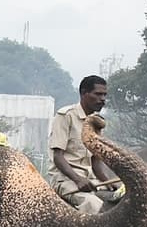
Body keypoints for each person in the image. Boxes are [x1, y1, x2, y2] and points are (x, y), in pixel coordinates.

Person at [48, 76, 115, 213]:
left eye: (104, 95)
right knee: (94, 205)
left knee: (120, 199)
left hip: (91, 181)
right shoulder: (65, 116)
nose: (102, 99)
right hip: (66, 181)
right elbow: (58, 157)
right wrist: (78, 180)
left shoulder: (96, 122)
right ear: (84, 93)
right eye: (98, 94)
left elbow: (95, 162)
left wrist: (109, 182)